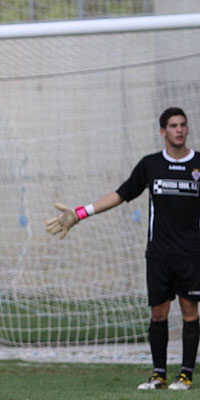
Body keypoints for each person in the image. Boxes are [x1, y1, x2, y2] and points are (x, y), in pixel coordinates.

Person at [46, 107, 200, 391]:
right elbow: (120, 194)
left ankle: (186, 376)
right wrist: (80, 213)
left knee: (190, 313)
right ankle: (159, 375)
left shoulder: (198, 164)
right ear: (163, 131)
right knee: (158, 314)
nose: (179, 130)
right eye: (173, 125)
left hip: (192, 254)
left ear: (187, 129)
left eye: (183, 125)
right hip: (159, 254)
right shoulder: (150, 165)